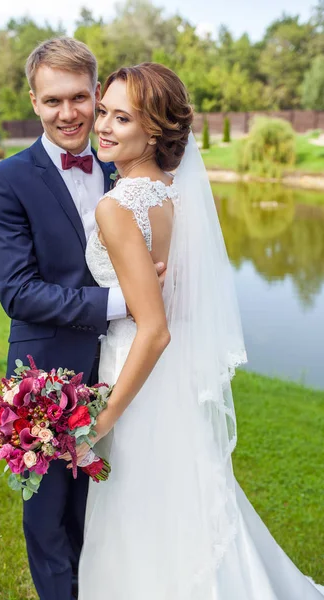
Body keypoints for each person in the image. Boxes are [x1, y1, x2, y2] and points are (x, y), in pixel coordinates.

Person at [58, 62, 324, 599]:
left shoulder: (116, 206)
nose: (103, 126)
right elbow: (174, 299)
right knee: (188, 503)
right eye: (103, 111)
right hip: (168, 381)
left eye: (122, 117)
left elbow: (154, 329)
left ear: (153, 130)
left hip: (136, 374)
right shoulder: (174, 192)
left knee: (144, 513)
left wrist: (101, 419)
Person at [0, 38, 166, 600]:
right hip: (46, 378)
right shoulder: (4, 181)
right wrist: (125, 301)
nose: (69, 114)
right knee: (49, 523)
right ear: (34, 101)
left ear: (96, 93)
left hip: (124, 370)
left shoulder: (124, 167)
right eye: (53, 100)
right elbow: (18, 291)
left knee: (109, 516)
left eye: (81, 97)